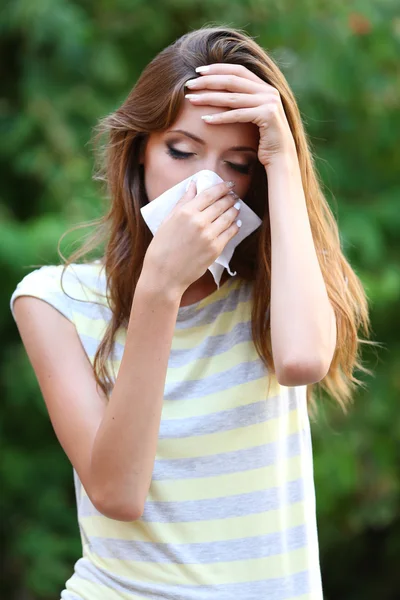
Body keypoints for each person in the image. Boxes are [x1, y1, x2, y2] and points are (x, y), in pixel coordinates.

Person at [10, 25, 376, 600]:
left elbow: (303, 361)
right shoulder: (55, 301)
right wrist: (159, 290)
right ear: (140, 154)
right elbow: (118, 492)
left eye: (237, 164)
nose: (207, 183)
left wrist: (282, 153)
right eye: (181, 151)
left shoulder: (277, 289)